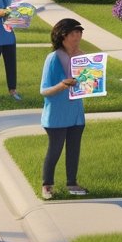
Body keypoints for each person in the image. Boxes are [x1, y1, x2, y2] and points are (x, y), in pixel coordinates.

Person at [39, 18, 89, 200]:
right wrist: (62, 85)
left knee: (74, 150)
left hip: (76, 114)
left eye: (79, 33)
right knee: (55, 150)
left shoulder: (82, 57)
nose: (77, 37)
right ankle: (47, 185)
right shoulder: (53, 58)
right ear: (63, 36)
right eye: (73, 33)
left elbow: (88, 82)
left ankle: (72, 183)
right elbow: (44, 90)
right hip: (57, 115)